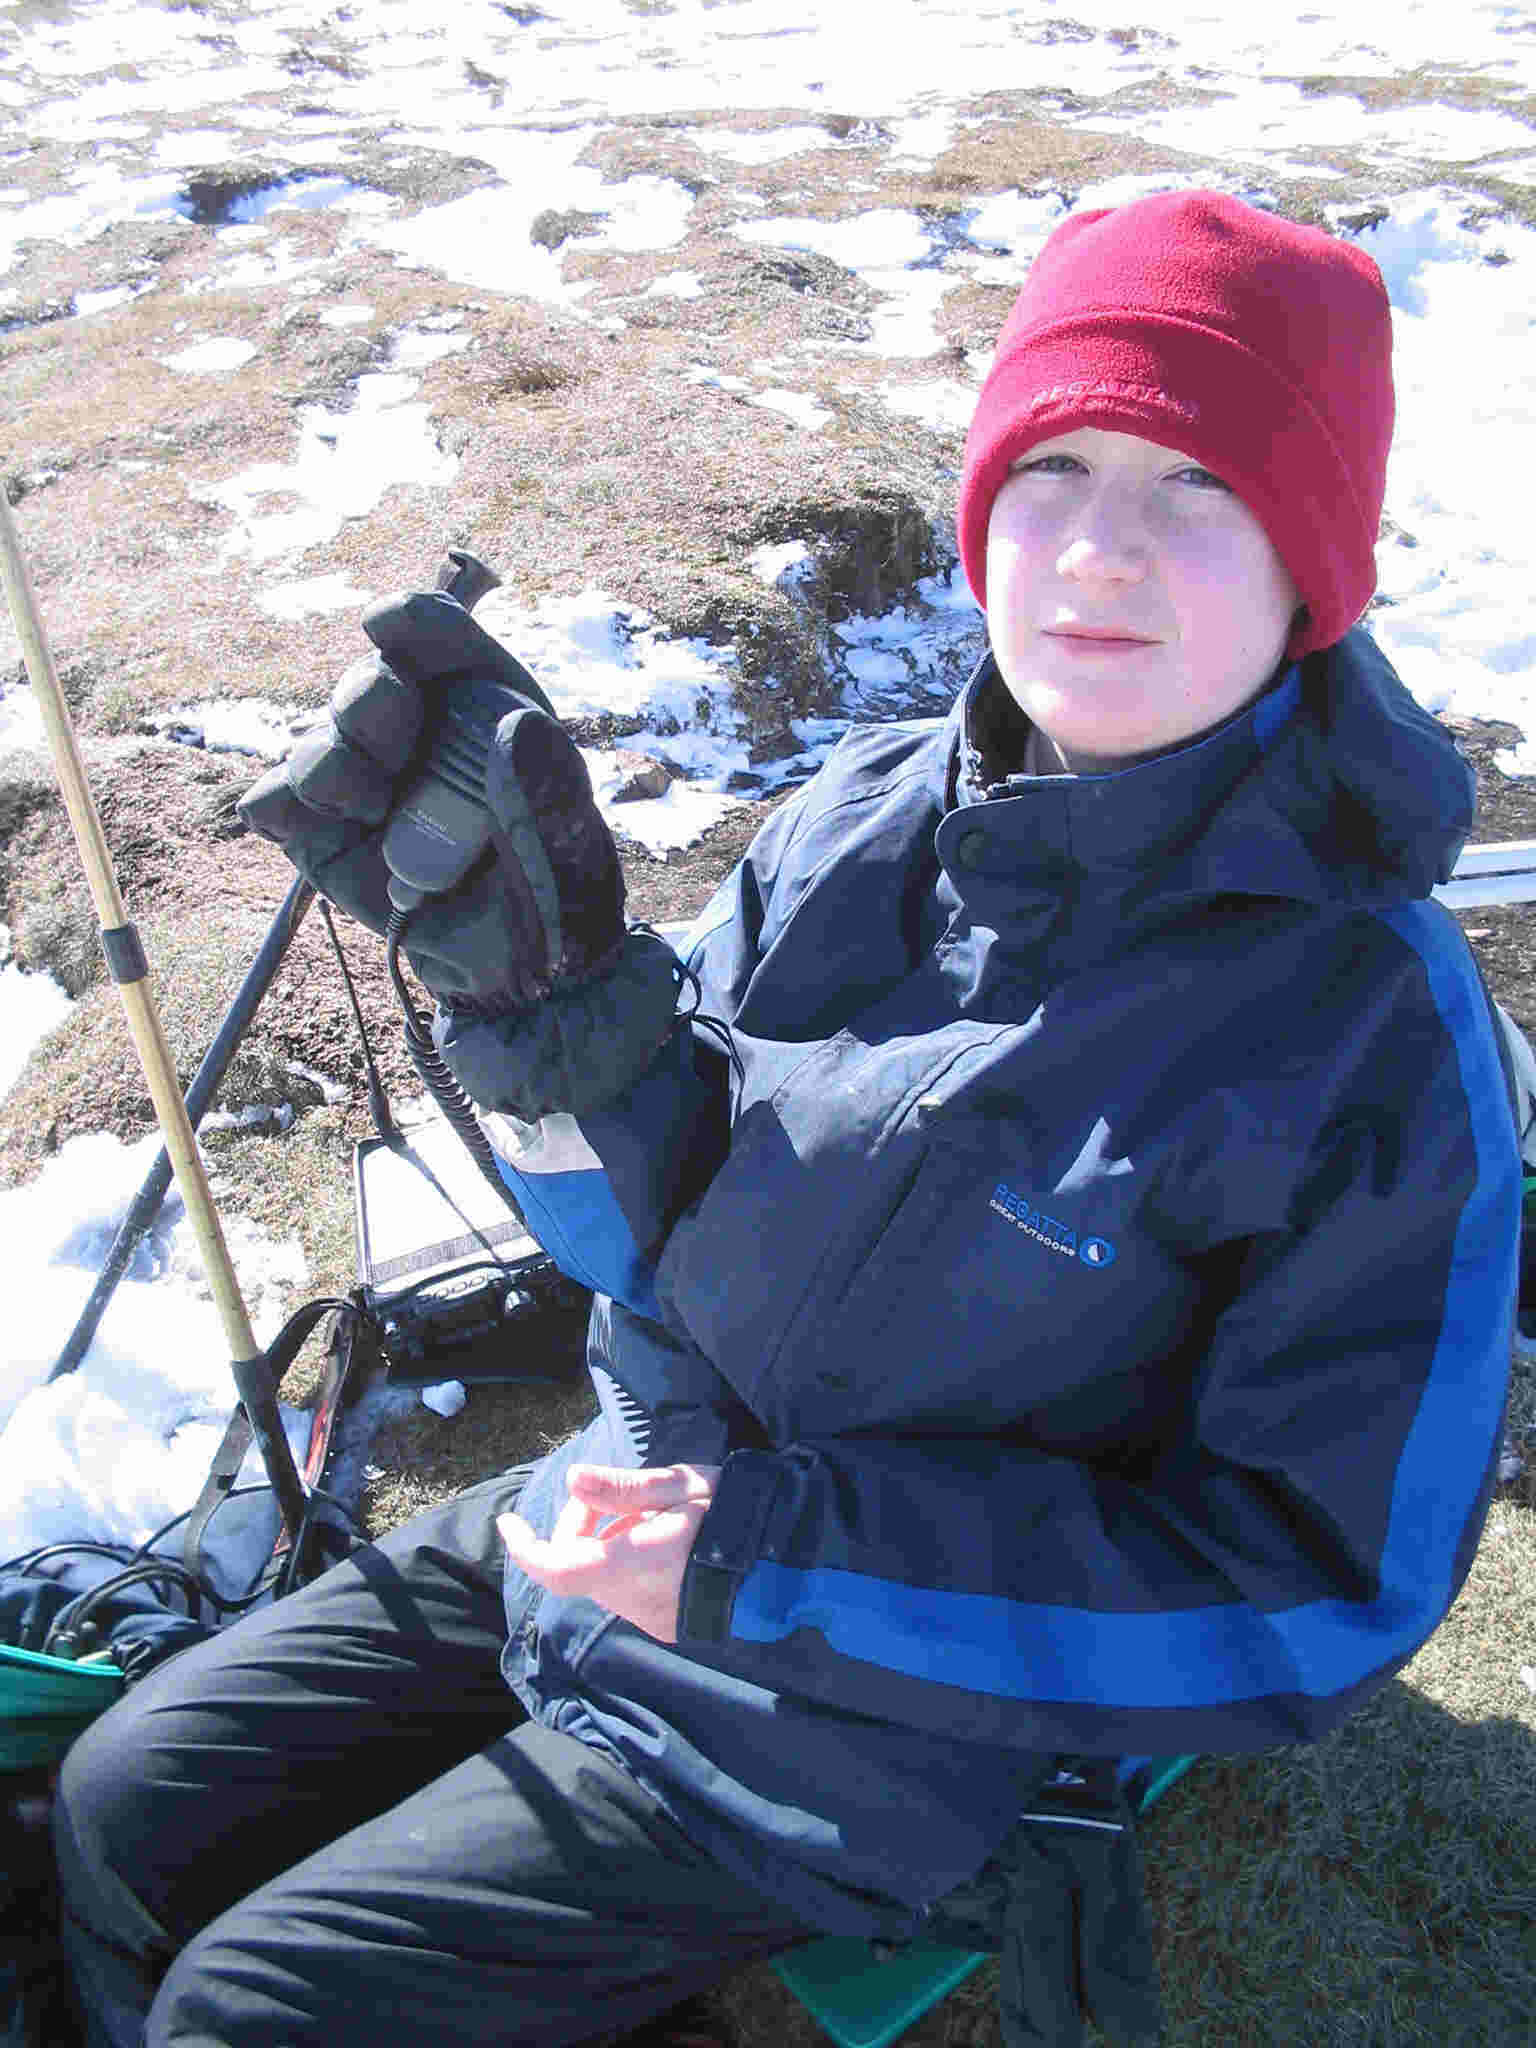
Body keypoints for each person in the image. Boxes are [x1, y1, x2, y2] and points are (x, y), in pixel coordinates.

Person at [51, 189, 1518, 2048]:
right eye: (1053, 466)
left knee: (257, 2008)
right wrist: (543, 1015)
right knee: (126, 1802)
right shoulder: (860, 820)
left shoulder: (1371, 1038)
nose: (1097, 554)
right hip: (627, 1499)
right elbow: (658, 1241)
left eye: (1198, 485)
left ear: (1319, 557)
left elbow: (1319, 1595)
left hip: (885, 1699)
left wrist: (758, 1559)